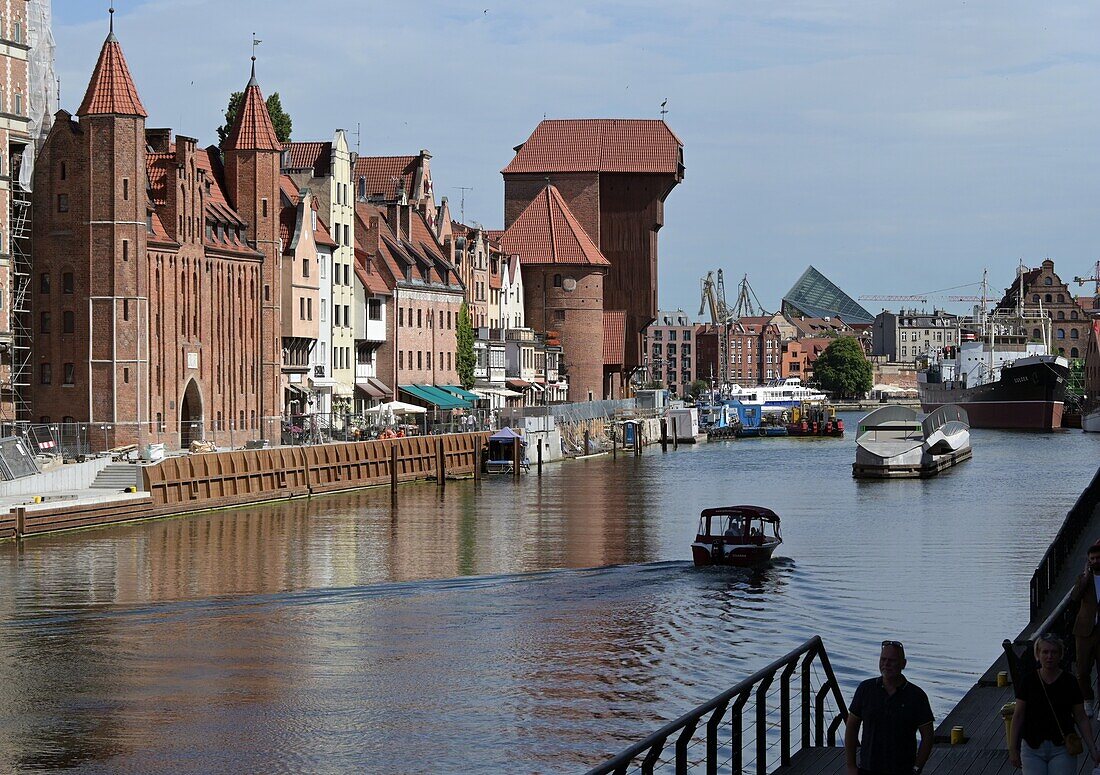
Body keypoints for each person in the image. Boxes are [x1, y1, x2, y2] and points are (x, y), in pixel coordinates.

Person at [1009, 632, 1100, 772]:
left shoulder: (1070, 682)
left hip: (1062, 747)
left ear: (1060, 655)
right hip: (1032, 748)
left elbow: (1081, 717)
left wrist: (1092, 748)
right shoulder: (1028, 681)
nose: (1049, 657)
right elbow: (1018, 715)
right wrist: (1013, 748)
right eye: (1045, 652)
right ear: (1038, 655)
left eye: (1054, 652)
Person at [844, 640, 933, 775]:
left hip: (902, 770)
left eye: (892, 660)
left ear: (903, 664)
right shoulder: (866, 689)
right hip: (868, 768)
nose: (886, 664)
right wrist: (851, 766)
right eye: (883, 659)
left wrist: (916, 768)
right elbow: (851, 727)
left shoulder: (916, 696)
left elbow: (927, 736)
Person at [1070, 541, 1100, 717]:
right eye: (1093, 559)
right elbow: (1075, 597)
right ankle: (1087, 700)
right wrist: (1087, 576)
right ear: (1088, 561)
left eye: (1098, 558)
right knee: (1082, 671)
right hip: (1084, 631)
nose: (1096, 561)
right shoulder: (1083, 579)